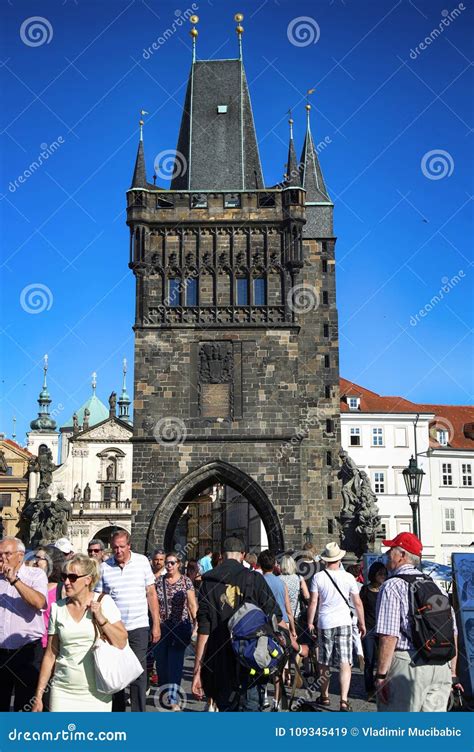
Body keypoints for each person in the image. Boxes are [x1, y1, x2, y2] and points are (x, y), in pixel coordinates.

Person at [191, 536, 282, 711]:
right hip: (250, 660)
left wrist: (198, 671)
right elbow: (275, 616)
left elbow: (204, 630)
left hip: (219, 663)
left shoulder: (208, 583)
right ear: (243, 555)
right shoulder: (254, 579)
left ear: (222, 556)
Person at [375, 532, 459, 712]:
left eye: (391, 550)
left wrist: (381, 675)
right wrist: (452, 672)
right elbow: (452, 631)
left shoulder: (392, 585)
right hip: (440, 666)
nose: (388, 554)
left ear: (402, 555)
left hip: (408, 665)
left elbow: (389, 636)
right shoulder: (433, 585)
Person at [32, 554, 127, 712]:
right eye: (64, 577)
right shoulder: (57, 608)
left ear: (88, 580)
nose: (67, 582)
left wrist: (101, 617)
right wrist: (39, 695)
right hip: (62, 690)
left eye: (72, 577)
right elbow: (50, 654)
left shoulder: (104, 602)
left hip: (97, 692)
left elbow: (121, 641)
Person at [96, 529, 161, 712]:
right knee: (116, 672)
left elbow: (151, 593)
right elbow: (99, 596)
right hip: (114, 628)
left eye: (122, 547)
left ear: (129, 546)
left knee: (137, 672)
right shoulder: (104, 567)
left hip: (138, 626)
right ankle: (117, 713)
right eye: (115, 547)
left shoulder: (141, 562)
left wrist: (156, 624)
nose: (118, 551)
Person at [307, 542, 366, 712]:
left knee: (324, 662)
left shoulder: (318, 577)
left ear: (325, 560)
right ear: (339, 559)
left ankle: (324, 696)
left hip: (325, 622)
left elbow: (313, 602)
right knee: (345, 662)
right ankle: (344, 701)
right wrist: (361, 623)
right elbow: (357, 603)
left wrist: (311, 622)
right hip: (344, 622)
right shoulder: (348, 577)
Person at [0, 536, 48, 711]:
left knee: (24, 706)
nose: (2, 558)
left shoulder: (35, 575)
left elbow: (39, 603)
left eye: (7, 553)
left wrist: (15, 581)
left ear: (20, 555)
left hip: (26, 651)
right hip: (2, 652)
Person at [154, 551, 198, 710]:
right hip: (161, 627)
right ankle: (164, 691)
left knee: (175, 662)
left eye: (172, 562)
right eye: (167, 562)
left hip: (180, 627)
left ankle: (173, 699)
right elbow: (153, 603)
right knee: (161, 664)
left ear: (179, 564)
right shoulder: (158, 581)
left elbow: (192, 604)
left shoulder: (186, 581)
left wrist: (196, 624)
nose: (169, 565)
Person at [258, 550, 298, 710]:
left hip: (264, 626)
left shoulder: (258, 581)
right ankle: (276, 700)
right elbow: (288, 610)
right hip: (282, 626)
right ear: (274, 565)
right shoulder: (281, 583)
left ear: (260, 565)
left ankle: (264, 697)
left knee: (262, 661)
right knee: (279, 664)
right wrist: (293, 630)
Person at [359, 561, 387, 700]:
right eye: (380, 573)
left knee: (383, 660)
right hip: (369, 629)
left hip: (384, 629)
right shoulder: (365, 590)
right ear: (373, 574)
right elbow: (360, 609)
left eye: (384, 573)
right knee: (369, 660)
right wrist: (361, 624)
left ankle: (382, 688)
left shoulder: (386, 589)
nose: (382, 576)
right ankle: (370, 690)